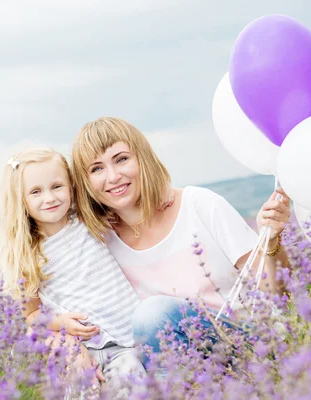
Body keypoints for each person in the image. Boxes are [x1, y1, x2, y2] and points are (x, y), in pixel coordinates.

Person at [70, 117, 291, 357]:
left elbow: (278, 292)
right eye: (96, 169)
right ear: (86, 183)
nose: (113, 176)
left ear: (142, 158)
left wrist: (271, 243)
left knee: (152, 314)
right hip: (183, 363)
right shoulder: (101, 241)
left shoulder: (199, 205)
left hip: (248, 344)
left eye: (121, 159)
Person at [0, 147, 147, 395]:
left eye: (57, 186)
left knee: (134, 388)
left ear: (71, 186)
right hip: (84, 349)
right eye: (36, 192)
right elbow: (31, 315)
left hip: (128, 340)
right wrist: (59, 323)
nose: (50, 198)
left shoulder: (88, 221)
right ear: (20, 200)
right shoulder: (28, 254)